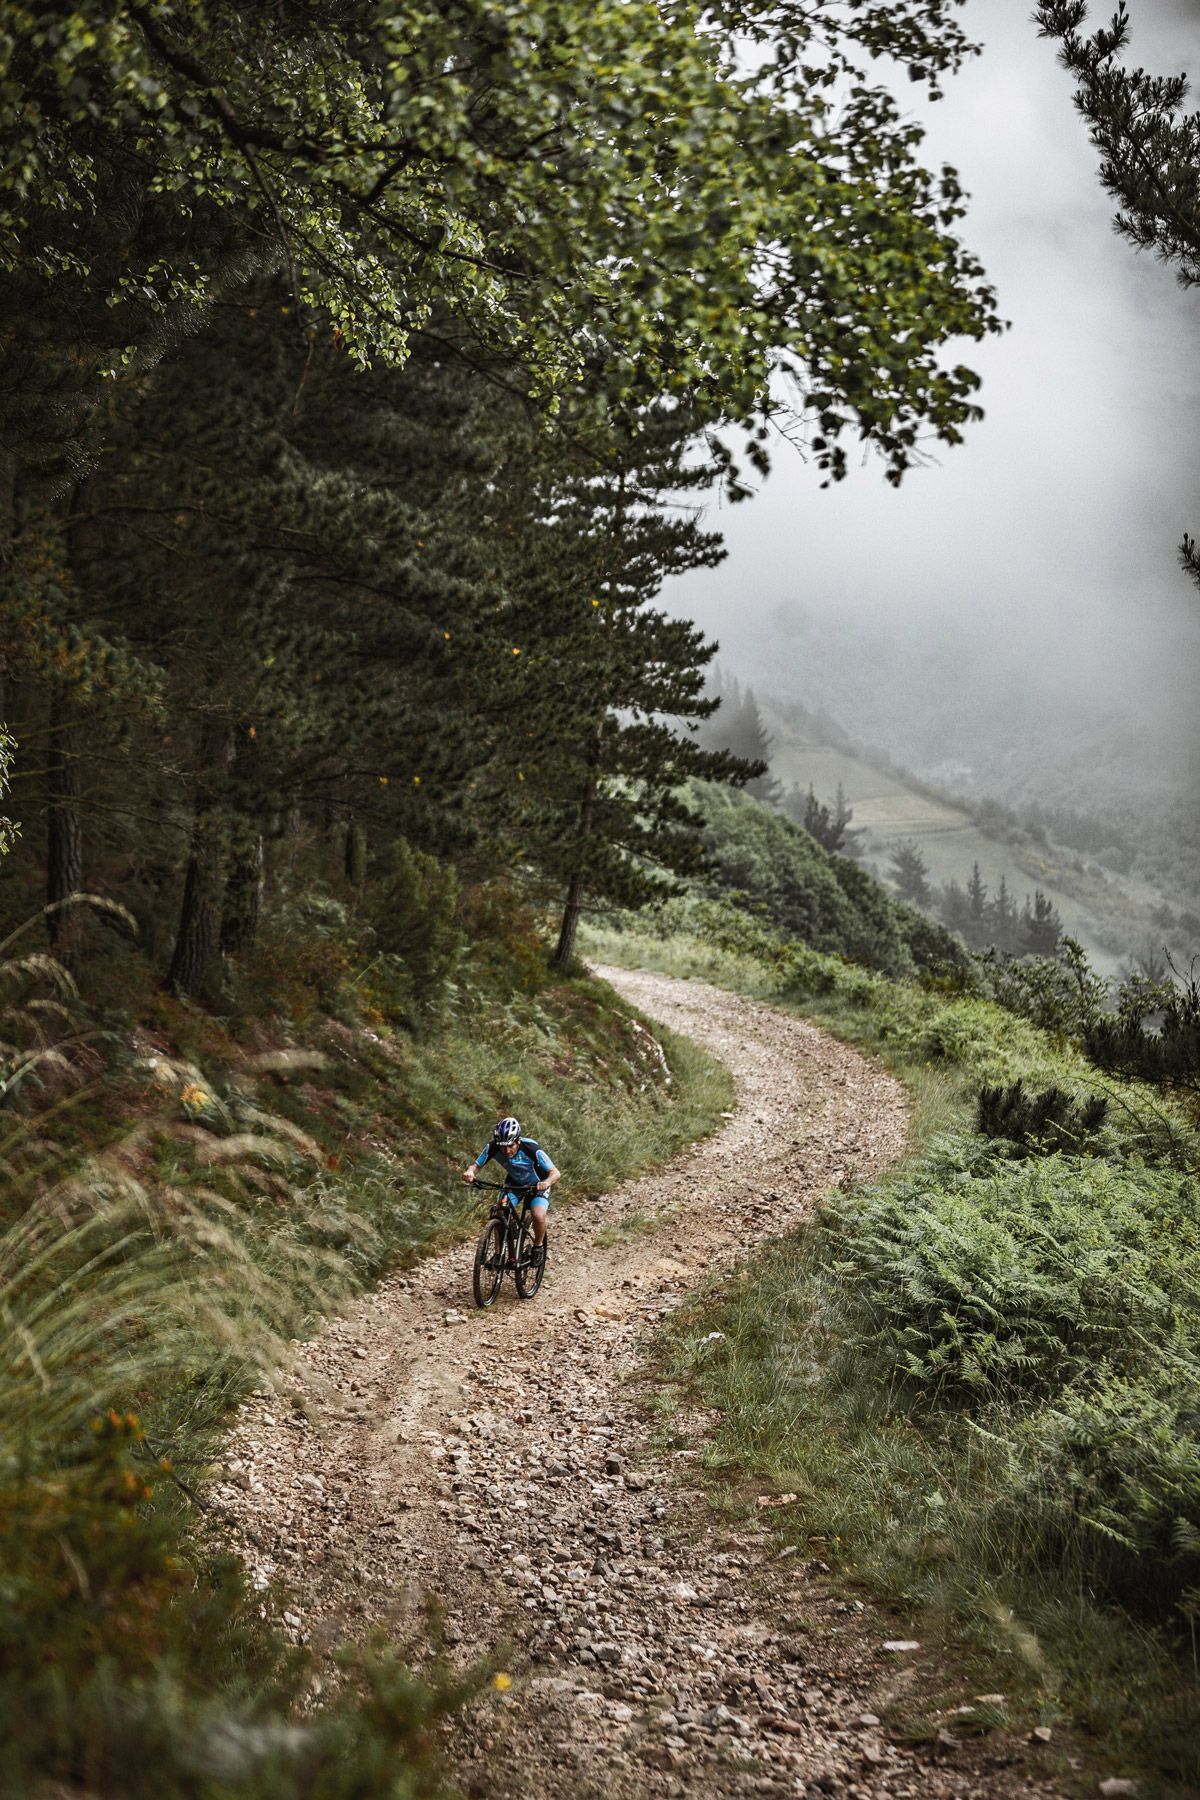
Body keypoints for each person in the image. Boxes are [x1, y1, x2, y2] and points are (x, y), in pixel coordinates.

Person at [462, 1115, 560, 1256]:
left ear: (518, 1140)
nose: (507, 1151)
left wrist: (546, 1182)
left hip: (537, 1185)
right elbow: (476, 1165)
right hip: (514, 1184)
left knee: (538, 1215)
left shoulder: (531, 1148)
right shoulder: (493, 1147)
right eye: (503, 1147)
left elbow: (555, 1173)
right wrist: (470, 1172)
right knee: (500, 1211)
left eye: (510, 1146)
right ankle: (498, 1254)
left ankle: (538, 1248)